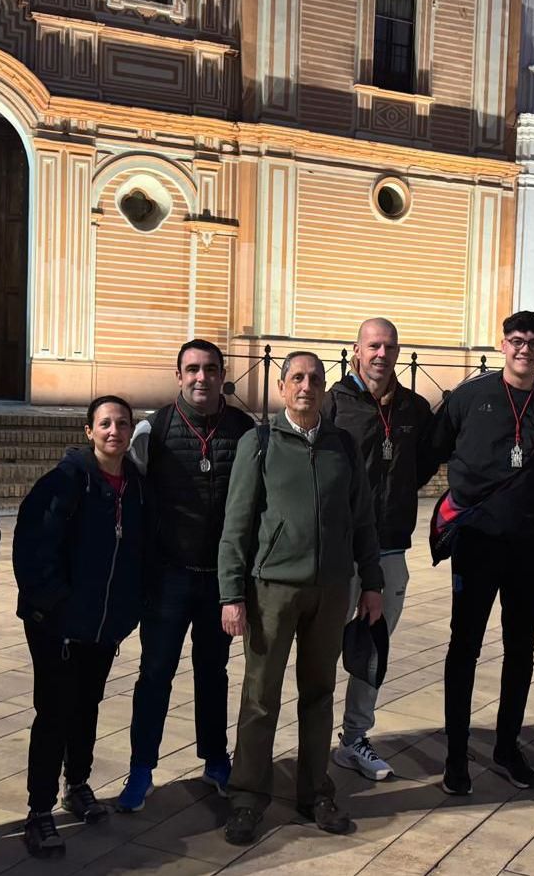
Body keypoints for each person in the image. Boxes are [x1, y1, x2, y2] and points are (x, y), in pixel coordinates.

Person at [219, 351, 385, 845]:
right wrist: (232, 593)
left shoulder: (342, 446)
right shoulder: (260, 442)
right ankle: (248, 797)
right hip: (272, 589)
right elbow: (237, 524)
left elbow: (362, 521)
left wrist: (371, 581)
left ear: (324, 386)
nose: (306, 386)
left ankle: (315, 791)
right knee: (260, 697)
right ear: (281, 386)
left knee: (319, 695)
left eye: (314, 378)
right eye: (297, 378)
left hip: (331, 590)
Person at [424, 310, 534, 794]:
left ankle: (507, 746)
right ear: (502, 344)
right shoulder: (470, 397)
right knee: (463, 647)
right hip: (477, 545)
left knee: (519, 652)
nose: (524, 349)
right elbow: (431, 452)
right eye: (516, 340)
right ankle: (455, 754)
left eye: (533, 341)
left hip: (529, 552)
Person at [116, 341, 254, 811]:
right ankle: (141, 769)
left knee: (213, 673)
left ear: (222, 376)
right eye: (192, 369)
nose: (201, 377)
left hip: (221, 580)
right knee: (154, 674)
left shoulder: (244, 428)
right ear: (178, 376)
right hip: (168, 577)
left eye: (210, 369)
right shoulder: (151, 430)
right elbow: (129, 497)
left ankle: (216, 759)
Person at [14, 395, 147, 856]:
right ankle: (38, 811)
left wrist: (126, 610)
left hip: (103, 624)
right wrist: (57, 606)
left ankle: (78, 784)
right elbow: (33, 550)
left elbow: (139, 554)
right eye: (105, 424)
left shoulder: (136, 487)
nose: (115, 431)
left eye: (123, 424)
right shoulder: (66, 481)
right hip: (58, 626)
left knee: (87, 705)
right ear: (88, 431)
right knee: (53, 713)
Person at [320, 318, 435, 780]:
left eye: (389, 346)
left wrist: (401, 495)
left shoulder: (414, 407)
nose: (381, 354)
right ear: (356, 350)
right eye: (373, 345)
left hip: (389, 549)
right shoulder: (332, 402)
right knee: (323, 650)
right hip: (339, 551)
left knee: (372, 651)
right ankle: (312, 740)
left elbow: (421, 463)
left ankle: (354, 739)